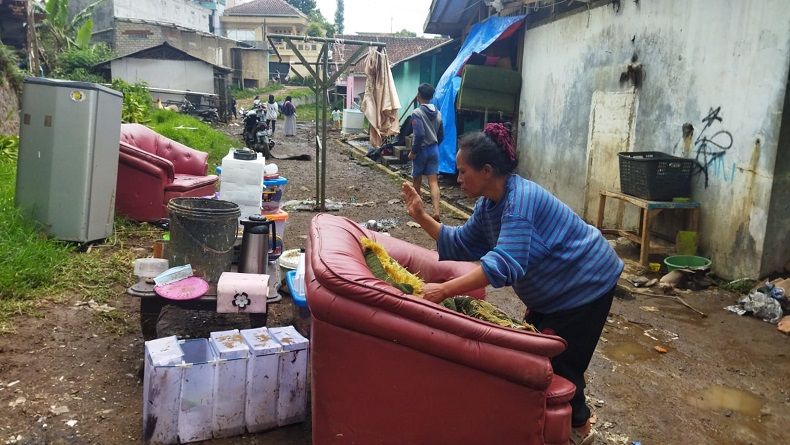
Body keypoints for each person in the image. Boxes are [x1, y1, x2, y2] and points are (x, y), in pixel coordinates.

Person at [400, 122, 623, 445]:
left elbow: (505, 263)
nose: (459, 179)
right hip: (554, 293)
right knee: (527, 355)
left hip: (587, 284)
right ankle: (542, 425)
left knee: (561, 366)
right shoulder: (489, 206)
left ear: (487, 171)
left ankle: (579, 430)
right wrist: (421, 215)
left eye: (464, 172)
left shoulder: (521, 200)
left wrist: (444, 290)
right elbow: (460, 243)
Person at [408, 83, 444, 221]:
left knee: (417, 180)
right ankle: (436, 211)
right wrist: (434, 146)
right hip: (434, 149)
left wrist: (413, 152)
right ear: (432, 96)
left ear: (419, 96)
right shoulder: (439, 113)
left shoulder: (417, 113)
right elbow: (441, 135)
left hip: (421, 150)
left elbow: (419, 134)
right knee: (433, 182)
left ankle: (417, 210)